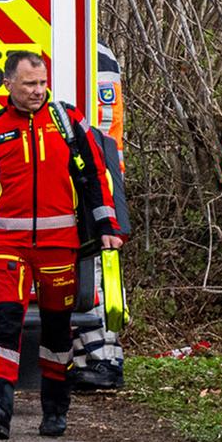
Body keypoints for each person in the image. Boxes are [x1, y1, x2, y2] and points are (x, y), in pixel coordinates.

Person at [0, 51, 123, 439]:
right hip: (7, 247)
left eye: (42, 83)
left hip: (60, 247)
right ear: (8, 84)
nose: (38, 91)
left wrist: (107, 224)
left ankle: (55, 410)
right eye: (29, 84)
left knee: (58, 332)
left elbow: (95, 174)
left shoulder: (68, 122)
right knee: (6, 325)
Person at [73, 41, 129, 392]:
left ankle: (102, 359)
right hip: (99, 175)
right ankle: (86, 358)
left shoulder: (95, 55)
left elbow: (101, 125)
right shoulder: (98, 52)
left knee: (94, 271)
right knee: (87, 271)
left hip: (96, 179)